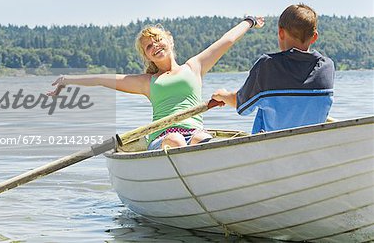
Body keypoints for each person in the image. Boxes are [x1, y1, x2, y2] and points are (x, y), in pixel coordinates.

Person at [48, 16, 264, 150]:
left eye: (158, 40)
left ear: (170, 41)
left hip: (194, 132)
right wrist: (66, 80)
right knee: (176, 141)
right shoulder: (147, 82)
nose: (155, 46)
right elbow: (102, 79)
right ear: (148, 57)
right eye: (149, 46)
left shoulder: (194, 67)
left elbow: (226, 41)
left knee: (201, 138)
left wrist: (249, 21)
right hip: (163, 137)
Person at [212, 4, 335, 134]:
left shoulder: (268, 66)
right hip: (311, 146)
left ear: (281, 33)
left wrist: (222, 95)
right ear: (314, 37)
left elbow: (241, 105)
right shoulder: (327, 67)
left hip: (271, 148)